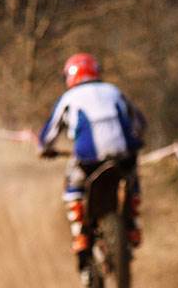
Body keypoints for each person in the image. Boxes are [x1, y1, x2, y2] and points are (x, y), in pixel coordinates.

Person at [38, 53, 146, 275]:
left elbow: (48, 135)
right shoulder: (114, 91)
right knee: (132, 177)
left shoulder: (68, 98)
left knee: (73, 187)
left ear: (69, 76)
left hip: (88, 159)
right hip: (123, 155)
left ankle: (80, 233)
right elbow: (140, 123)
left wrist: (44, 148)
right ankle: (133, 222)